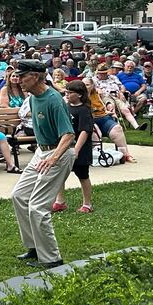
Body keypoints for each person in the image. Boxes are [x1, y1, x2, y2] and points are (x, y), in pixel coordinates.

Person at [11, 59, 75, 269]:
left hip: (58, 153)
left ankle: (51, 259)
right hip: (42, 151)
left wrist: (53, 158)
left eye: (22, 76)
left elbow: (68, 135)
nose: (18, 80)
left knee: (38, 206)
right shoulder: (32, 97)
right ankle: (33, 247)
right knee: (19, 196)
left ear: (36, 76)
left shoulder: (54, 100)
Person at [52, 80, 94, 214]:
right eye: (66, 92)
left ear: (80, 95)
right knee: (60, 175)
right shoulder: (65, 107)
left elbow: (84, 131)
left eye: (70, 92)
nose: (67, 94)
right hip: (64, 146)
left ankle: (87, 203)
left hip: (80, 149)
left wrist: (76, 150)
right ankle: (60, 201)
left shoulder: (84, 110)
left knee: (82, 175)